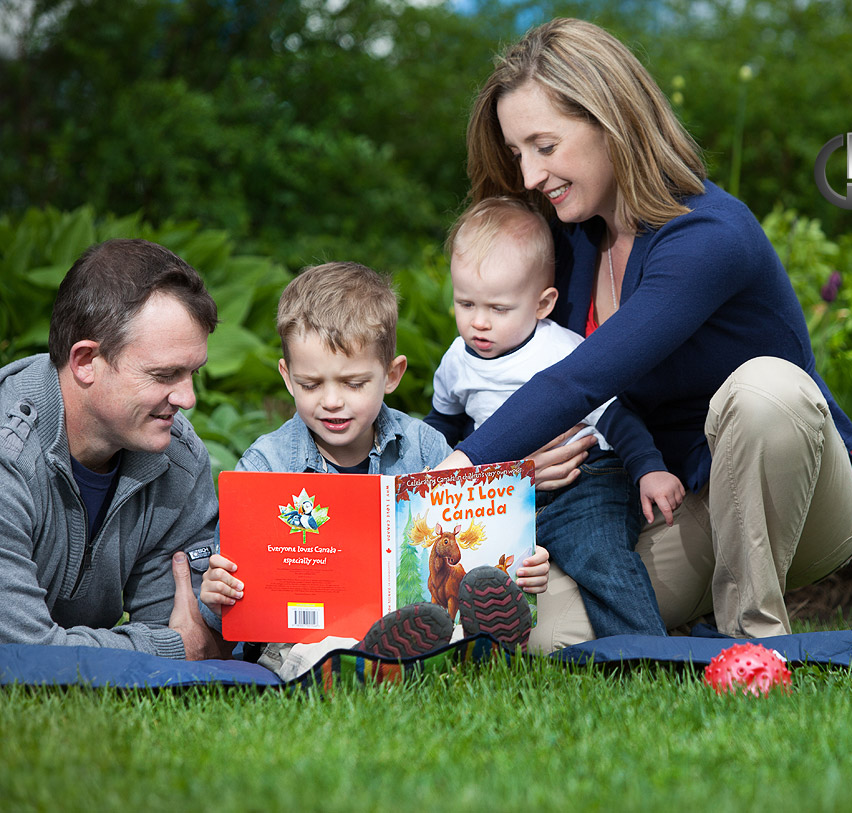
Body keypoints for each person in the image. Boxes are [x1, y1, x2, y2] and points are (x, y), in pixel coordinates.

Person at [437, 18, 852, 651]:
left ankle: (751, 642)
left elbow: (582, 378)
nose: (530, 176)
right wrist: (522, 467)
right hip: (670, 505)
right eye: (517, 153)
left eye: (545, 146)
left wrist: (455, 473)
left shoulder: (708, 236)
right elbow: (530, 381)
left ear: (610, 121)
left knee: (765, 390)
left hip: (792, 494)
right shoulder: (573, 239)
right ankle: (687, 624)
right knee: (539, 634)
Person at [198, 262, 549, 679]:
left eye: (353, 383)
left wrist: (523, 566)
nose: (331, 401)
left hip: (411, 620)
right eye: (311, 384)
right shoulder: (265, 466)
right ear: (288, 378)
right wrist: (217, 596)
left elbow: (464, 540)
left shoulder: (426, 448)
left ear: (391, 375)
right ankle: (386, 667)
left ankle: (470, 649)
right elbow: (230, 613)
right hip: (305, 636)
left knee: (447, 627)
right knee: (320, 652)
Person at [425, 196, 685, 638]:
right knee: (471, 559)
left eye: (498, 309)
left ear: (543, 303)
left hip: (583, 483)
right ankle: (469, 639)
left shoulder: (561, 351)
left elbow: (617, 416)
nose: (479, 323)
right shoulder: (456, 360)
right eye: (466, 304)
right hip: (504, 492)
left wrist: (649, 469)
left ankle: (645, 649)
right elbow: (443, 423)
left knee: (599, 554)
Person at [0, 238, 225, 659]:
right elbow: (23, 654)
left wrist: (178, 642)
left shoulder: (176, 457)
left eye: (192, 372)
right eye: (165, 374)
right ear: (86, 361)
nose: (187, 398)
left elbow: (192, 631)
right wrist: (169, 648)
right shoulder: (7, 456)